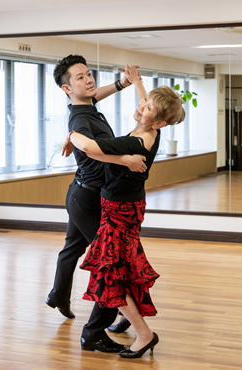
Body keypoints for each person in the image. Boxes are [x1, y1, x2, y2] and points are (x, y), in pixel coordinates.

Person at [68, 82, 185, 359]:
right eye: (143, 102)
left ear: (159, 122)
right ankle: (128, 318)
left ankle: (144, 334)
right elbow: (148, 102)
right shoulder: (148, 130)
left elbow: (90, 148)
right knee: (124, 267)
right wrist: (136, 80)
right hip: (127, 207)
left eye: (147, 108)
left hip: (118, 212)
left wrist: (71, 133)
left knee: (112, 274)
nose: (140, 105)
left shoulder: (137, 141)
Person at [46, 55, 144, 354]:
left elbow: (93, 96)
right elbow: (91, 147)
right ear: (66, 88)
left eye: (89, 74)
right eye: (80, 77)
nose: (89, 80)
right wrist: (124, 159)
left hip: (83, 194)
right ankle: (95, 331)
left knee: (73, 248)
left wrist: (121, 84)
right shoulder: (79, 119)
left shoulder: (86, 106)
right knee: (110, 263)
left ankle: (58, 295)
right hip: (87, 200)